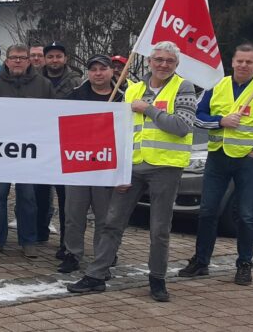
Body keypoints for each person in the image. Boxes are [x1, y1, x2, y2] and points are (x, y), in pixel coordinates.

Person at [69, 41, 197, 302]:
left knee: (159, 228)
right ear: (149, 61)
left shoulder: (183, 87)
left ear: (176, 65)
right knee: (112, 222)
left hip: (165, 167)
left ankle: (157, 279)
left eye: (169, 61)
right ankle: (96, 275)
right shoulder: (133, 89)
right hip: (133, 167)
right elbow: (121, 133)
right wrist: (119, 170)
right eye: (158, 59)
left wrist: (149, 109)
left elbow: (183, 125)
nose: (163, 65)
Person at [180, 43, 253, 286]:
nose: (243, 65)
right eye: (240, 61)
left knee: (247, 215)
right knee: (207, 212)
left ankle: (244, 264)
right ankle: (201, 261)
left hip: (247, 161)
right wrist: (220, 121)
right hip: (217, 157)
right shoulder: (217, 84)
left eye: (249, 62)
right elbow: (196, 115)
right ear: (232, 62)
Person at [0, 44, 54, 258]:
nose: (17, 61)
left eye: (21, 58)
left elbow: (51, 117)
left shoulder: (43, 85)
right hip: (0, 149)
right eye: (13, 57)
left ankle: (28, 240)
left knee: (28, 197)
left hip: (29, 150)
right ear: (5, 61)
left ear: (29, 61)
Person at [59, 55, 121, 274]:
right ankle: (72, 254)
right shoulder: (75, 97)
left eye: (102, 69)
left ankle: (104, 255)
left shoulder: (122, 99)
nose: (97, 73)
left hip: (107, 167)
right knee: (74, 215)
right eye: (93, 69)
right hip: (79, 165)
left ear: (111, 71)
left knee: (106, 217)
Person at [37, 41, 80, 254]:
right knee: (39, 193)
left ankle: (66, 242)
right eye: (51, 56)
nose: (55, 60)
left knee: (66, 198)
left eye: (58, 56)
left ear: (65, 58)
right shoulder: (35, 79)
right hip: (40, 144)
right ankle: (39, 233)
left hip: (65, 145)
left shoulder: (76, 81)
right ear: (45, 59)